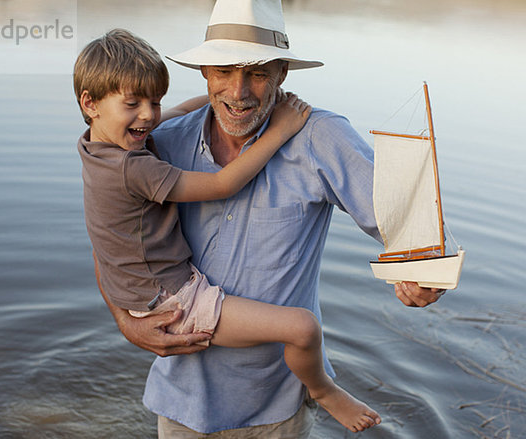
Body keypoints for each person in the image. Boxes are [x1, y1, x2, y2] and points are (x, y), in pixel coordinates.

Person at [95, 1, 446, 437]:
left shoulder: (319, 137)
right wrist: (125, 321)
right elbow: (110, 236)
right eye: (224, 71)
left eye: (258, 73)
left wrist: (423, 277)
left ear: (282, 74)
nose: (239, 91)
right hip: (180, 402)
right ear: (204, 72)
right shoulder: (161, 143)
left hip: (276, 409)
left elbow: (415, 228)